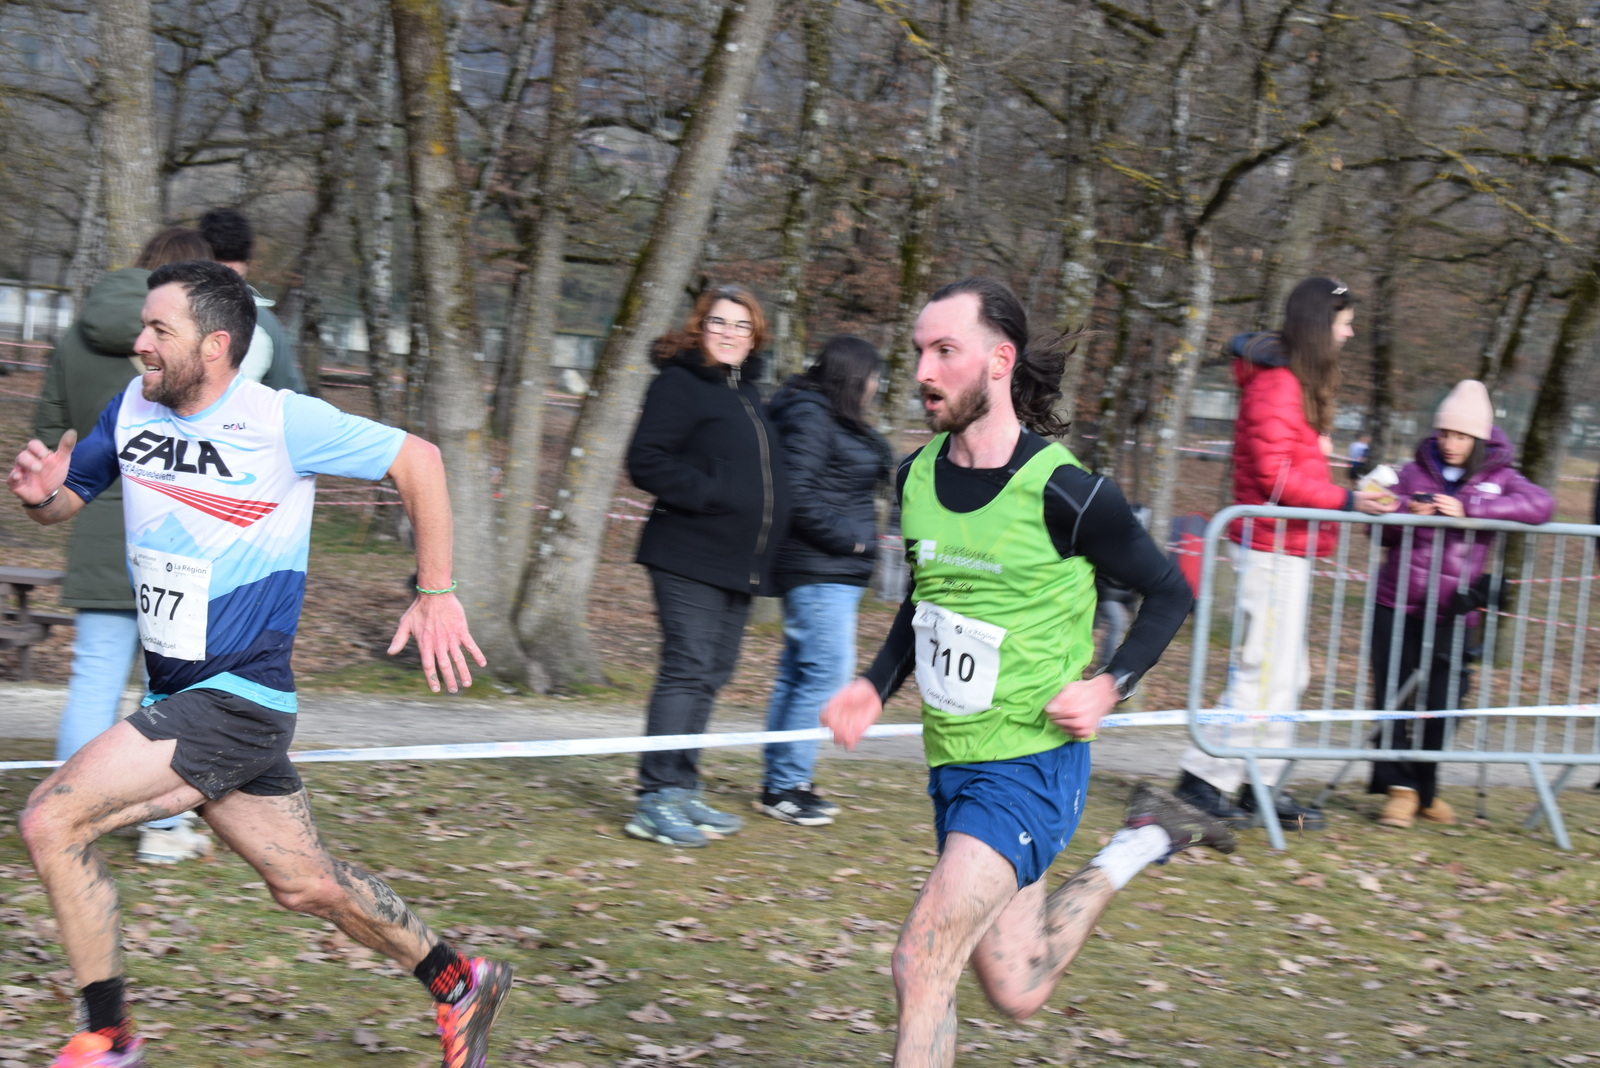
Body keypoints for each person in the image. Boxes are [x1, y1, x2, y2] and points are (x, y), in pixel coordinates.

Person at [8, 261, 508, 1068]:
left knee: (50, 821)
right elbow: (70, 496)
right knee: (305, 883)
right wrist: (41, 495)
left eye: (159, 330)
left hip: (235, 697)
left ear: (214, 345)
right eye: (142, 326)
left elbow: (419, 459)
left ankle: (109, 1036)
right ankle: (460, 980)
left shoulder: (280, 420)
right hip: (180, 690)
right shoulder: (133, 406)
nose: (140, 343)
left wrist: (436, 591)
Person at [821, 277, 1231, 1068]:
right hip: (955, 763)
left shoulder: (1068, 493)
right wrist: (874, 683)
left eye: (946, 351)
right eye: (919, 351)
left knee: (921, 961)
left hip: (1031, 765)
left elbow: (1170, 591)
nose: (924, 371)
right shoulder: (913, 476)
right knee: (1019, 987)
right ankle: (1142, 841)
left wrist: (1110, 683)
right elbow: (926, 603)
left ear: (999, 361)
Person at [1173, 277, 1398, 830]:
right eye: (1344, 323)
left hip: (1287, 547)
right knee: (1263, 669)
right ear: (1321, 324)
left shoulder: (1292, 383)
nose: (1350, 333)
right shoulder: (1277, 385)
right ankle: (1202, 780)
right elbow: (1276, 479)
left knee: (1288, 673)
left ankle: (1260, 783)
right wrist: (1348, 500)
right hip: (1269, 546)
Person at [34, 226, 217, 865]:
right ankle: (163, 831)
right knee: (171, 691)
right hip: (179, 532)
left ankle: (66, 823)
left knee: (92, 681)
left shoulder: (76, 335)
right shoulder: (190, 336)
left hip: (95, 527)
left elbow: (50, 435)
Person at [624, 285, 791, 847]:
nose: (729, 333)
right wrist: (713, 493)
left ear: (755, 337)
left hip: (737, 562)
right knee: (687, 666)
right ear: (700, 327)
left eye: (742, 326)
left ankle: (682, 787)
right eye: (718, 322)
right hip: (687, 552)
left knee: (713, 671)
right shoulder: (679, 383)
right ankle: (655, 798)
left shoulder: (749, 393)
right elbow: (645, 460)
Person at [1367, 380, 1552, 828]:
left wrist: (1470, 510)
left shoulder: (1500, 476)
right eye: (1445, 434)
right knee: (1393, 694)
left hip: (1454, 609)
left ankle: (1424, 787)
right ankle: (1400, 790)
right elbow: (1378, 530)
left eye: (1461, 436)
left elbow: (1541, 505)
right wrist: (1403, 511)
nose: (1450, 443)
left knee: (1446, 699)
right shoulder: (1411, 472)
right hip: (1397, 601)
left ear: (1480, 439)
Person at [758, 336, 893, 826]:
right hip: (819, 567)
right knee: (825, 675)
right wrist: (852, 543)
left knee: (798, 675)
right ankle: (787, 785)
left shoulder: (830, 416)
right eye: (872, 377)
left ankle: (781, 782)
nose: (876, 387)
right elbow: (797, 493)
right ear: (852, 376)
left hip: (829, 570)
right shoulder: (811, 416)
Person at [197, 206, 307, 392]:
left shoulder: (265, 325)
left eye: (231, 278)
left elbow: (291, 397)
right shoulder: (172, 315)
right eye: (214, 277)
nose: (222, 289)